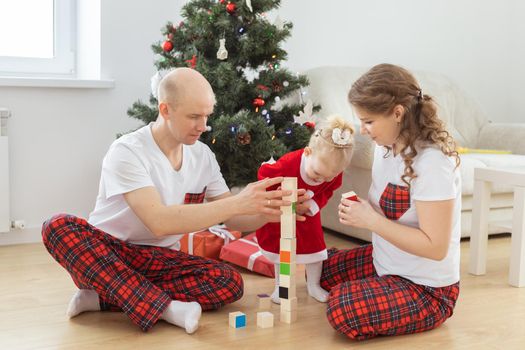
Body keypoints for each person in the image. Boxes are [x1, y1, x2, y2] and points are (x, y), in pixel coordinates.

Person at [41, 68, 307, 334]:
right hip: (108, 256)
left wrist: (271, 208)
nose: (203, 126)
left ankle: (103, 297)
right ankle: (168, 308)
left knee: (228, 281)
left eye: (206, 116)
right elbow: (158, 222)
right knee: (57, 226)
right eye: (193, 116)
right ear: (165, 110)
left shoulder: (203, 155)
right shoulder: (127, 151)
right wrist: (238, 202)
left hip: (159, 260)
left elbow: (234, 219)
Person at [321, 63, 461, 340]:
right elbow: (389, 210)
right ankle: (374, 288)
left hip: (426, 289)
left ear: (398, 113)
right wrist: (358, 208)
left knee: (341, 308)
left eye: (369, 121)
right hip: (384, 263)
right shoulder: (384, 148)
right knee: (319, 269)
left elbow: (435, 247)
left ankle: (376, 294)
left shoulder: (432, 163)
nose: (363, 130)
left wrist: (371, 220)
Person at [256, 115, 355, 303]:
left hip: (307, 217)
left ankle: (313, 285)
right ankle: (281, 287)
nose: (321, 180)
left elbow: (328, 190)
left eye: (329, 176)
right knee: (282, 253)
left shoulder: (331, 175)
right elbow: (265, 177)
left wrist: (312, 205)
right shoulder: (288, 164)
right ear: (308, 152)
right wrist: (277, 197)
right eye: (317, 174)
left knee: (315, 252)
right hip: (283, 217)